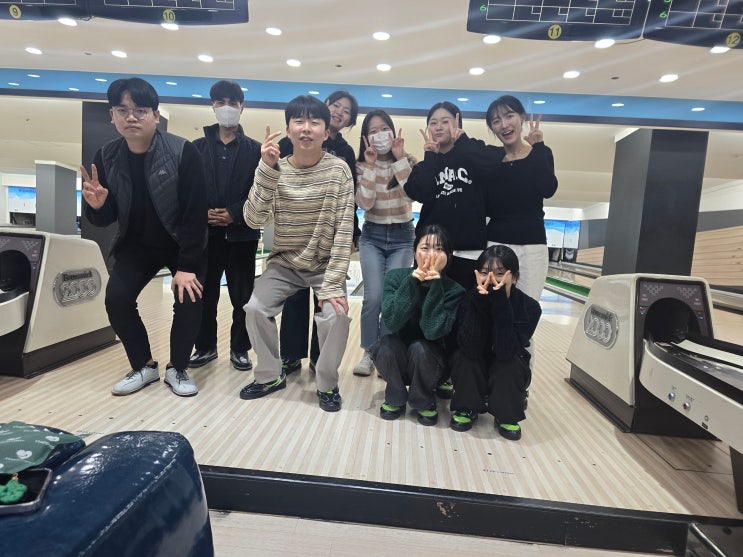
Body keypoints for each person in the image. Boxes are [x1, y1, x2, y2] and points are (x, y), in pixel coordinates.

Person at [81, 77, 207, 397]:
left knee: (189, 298)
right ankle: (144, 366)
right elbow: (106, 217)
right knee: (117, 299)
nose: (131, 117)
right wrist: (97, 206)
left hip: (180, 243)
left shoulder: (183, 151)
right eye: (122, 110)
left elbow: (195, 214)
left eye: (140, 110)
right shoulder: (106, 156)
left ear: (156, 115)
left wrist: (187, 266)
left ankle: (178, 368)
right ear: (112, 116)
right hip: (137, 245)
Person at [240, 95, 355, 412]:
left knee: (337, 315)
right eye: (299, 121)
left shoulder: (339, 171)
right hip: (284, 264)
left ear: (326, 132)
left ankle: (327, 383)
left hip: (324, 265)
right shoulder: (273, 169)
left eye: (314, 122)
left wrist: (333, 285)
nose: (306, 128)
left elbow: (344, 229)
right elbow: (253, 220)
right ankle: (270, 375)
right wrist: (267, 170)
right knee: (254, 308)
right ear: (288, 130)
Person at [277, 90, 359, 376]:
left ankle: (319, 358)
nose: (339, 112)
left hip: (328, 235)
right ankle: (290, 355)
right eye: (336, 106)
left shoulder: (346, 152)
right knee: (294, 298)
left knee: (327, 299)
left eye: (346, 111)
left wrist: (352, 233)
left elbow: (350, 196)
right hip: (296, 232)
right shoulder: (290, 141)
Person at [188, 80, 262, 373]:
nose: (227, 108)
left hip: (242, 235)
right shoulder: (196, 149)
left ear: (242, 107)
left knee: (242, 297)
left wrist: (234, 213)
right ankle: (205, 347)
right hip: (206, 237)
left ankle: (240, 348)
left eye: (233, 102)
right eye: (221, 102)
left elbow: (260, 192)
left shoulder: (256, 151)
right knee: (204, 295)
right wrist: (202, 212)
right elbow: (187, 191)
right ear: (213, 107)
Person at [485, 95, 557, 368]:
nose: (504, 124)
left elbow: (548, 188)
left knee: (524, 316)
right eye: (496, 120)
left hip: (532, 246)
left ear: (522, 118)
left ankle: (520, 383)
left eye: (509, 116)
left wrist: (538, 146)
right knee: (494, 314)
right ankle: (492, 379)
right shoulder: (492, 161)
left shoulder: (540, 153)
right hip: (496, 246)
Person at [371, 225, 464, 425]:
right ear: (414, 252)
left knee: (420, 348)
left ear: (449, 256)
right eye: (425, 248)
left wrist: (435, 284)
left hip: (433, 364)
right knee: (384, 346)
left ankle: (424, 400)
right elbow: (392, 321)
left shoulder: (454, 291)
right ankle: (395, 396)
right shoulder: (395, 277)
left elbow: (432, 332)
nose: (431, 254)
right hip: (399, 360)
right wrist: (412, 282)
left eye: (439, 249)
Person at [449, 245, 542, 440]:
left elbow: (506, 351)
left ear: (514, 277)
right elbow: (470, 347)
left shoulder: (530, 308)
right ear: (477, 275)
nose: (491, 279)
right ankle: (467, 407)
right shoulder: (468, 299)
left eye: (500, 273)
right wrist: (479, 303)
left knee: (510, 363)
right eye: (485, 273)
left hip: (507, 365)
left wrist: (501, 302)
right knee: (464, 357)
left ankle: (505, 413)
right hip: (477, 361)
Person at [403, 101, 494, 291]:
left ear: (457, 124)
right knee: (428, 304)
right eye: (433, 123)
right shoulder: (425, 165)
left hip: (470, 251)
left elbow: (492, 166)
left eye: (445, 121)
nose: (438, 127)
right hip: (431, 250)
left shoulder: (472, 153)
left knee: (465, 305)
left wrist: (462, 142)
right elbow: (419, 193)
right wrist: (431, 156)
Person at [353, 109, 416, 377]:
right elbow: (365, 203)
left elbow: (412, 194)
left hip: (403, 237)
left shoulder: (408, 161)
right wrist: (369, 167)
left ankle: (386, 353)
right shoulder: (360, 166)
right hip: (373, 236)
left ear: (392, 131)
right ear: (366, 138)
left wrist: (400, 160)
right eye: (373, 131)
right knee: (373, 298)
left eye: (384, 129)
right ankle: (370, 351)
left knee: (392, 299)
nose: (379, 135)